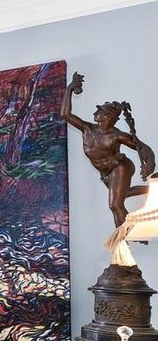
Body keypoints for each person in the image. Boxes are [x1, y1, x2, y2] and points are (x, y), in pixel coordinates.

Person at [62, 71, 155, 227]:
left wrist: (149, 164)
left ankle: (123, 238)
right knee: (123, 194)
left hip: (119, 166)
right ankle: (151, 190)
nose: (95, 112)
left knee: (115, 205)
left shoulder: (116, 136)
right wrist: (70, 88)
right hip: (105, 172)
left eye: (99, 111)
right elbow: (65, 114)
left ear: (108, 116)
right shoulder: (87, 129)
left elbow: (143, 148)